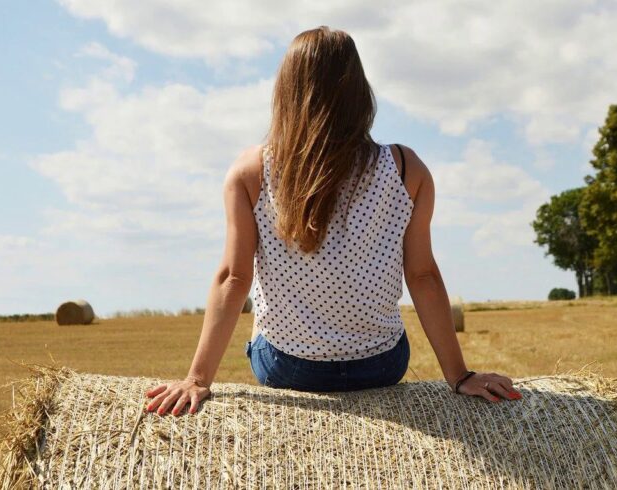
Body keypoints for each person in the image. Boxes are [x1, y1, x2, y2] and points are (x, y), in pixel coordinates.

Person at [145, 26, 522, 416]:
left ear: (287, 93)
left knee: (262, 325)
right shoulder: (408, 169)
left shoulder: (251, 171)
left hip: (287, 366)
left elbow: (234, 278)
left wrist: (197, 379)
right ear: (360, 92)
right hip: (380, 365)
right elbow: (423, 275)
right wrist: (459, 375)